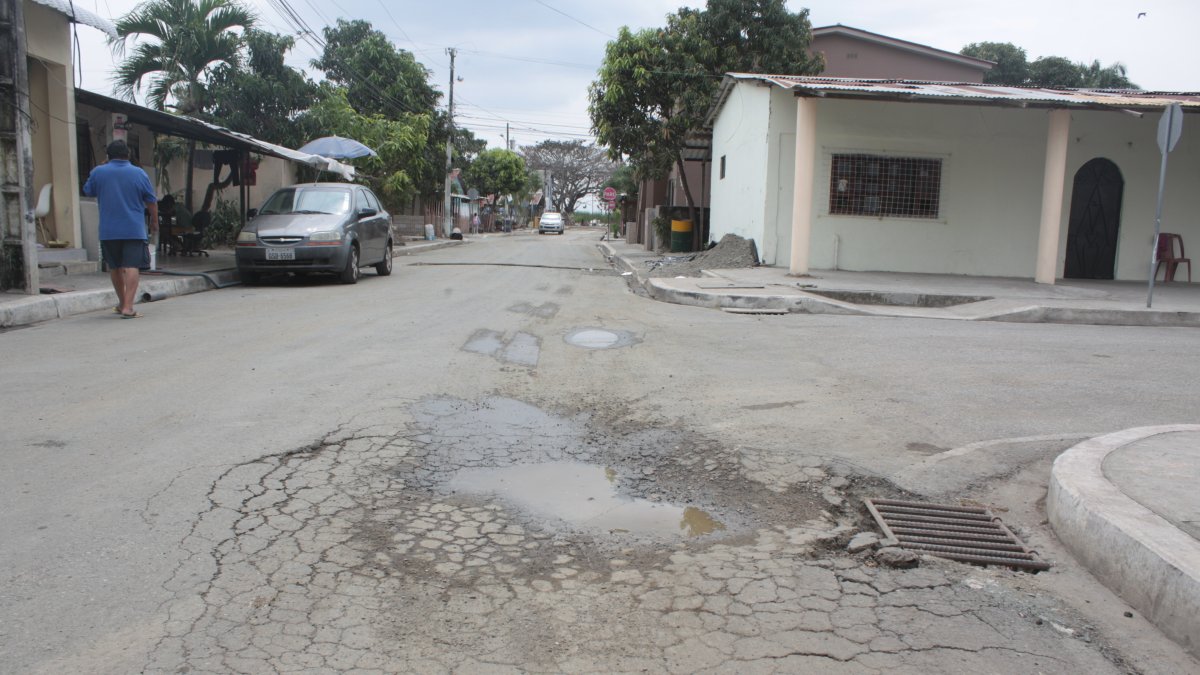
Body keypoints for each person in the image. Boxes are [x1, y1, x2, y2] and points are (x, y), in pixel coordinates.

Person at [83, 140, 158, 318]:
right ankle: (128, 307)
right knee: (131, 266)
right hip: (133, 228)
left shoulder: (99, 172)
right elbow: (151, 200)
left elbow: (88, 190)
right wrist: (155, 221)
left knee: (115, 267)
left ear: (108, 156)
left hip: (109, 230)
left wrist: (100, 168)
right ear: (128, 155)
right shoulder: (139, 173)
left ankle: (122, 303)